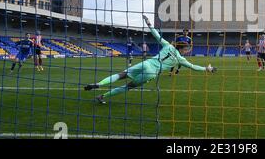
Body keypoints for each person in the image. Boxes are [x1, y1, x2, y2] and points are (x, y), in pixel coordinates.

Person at [84, 16, 216, 104]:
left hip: (146, 63)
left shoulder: (168, 45)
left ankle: (99, 84)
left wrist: (149, 24)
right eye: (187, 49)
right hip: (152, 72)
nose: (188, 50)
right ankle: (102, 96)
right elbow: (193, 67)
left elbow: (156, 35)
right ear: (185, 49)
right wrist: (207, 69)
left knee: (121, 75)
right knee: (126, 87)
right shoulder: (181, 59)